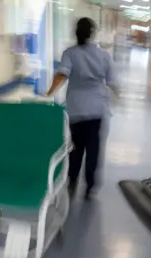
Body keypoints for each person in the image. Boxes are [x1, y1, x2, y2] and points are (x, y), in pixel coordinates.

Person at [46, 17, 119, 200]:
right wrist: (119, 96)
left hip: (76, 109)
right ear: (93, 33)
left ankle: (72, 181)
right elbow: (112, 82)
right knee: (94, 148)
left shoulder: (70, 53)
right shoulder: (104, 55)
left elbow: (62, 75)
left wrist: (49, 94)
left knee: (75, 148)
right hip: (98, 108)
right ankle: (90, 188)